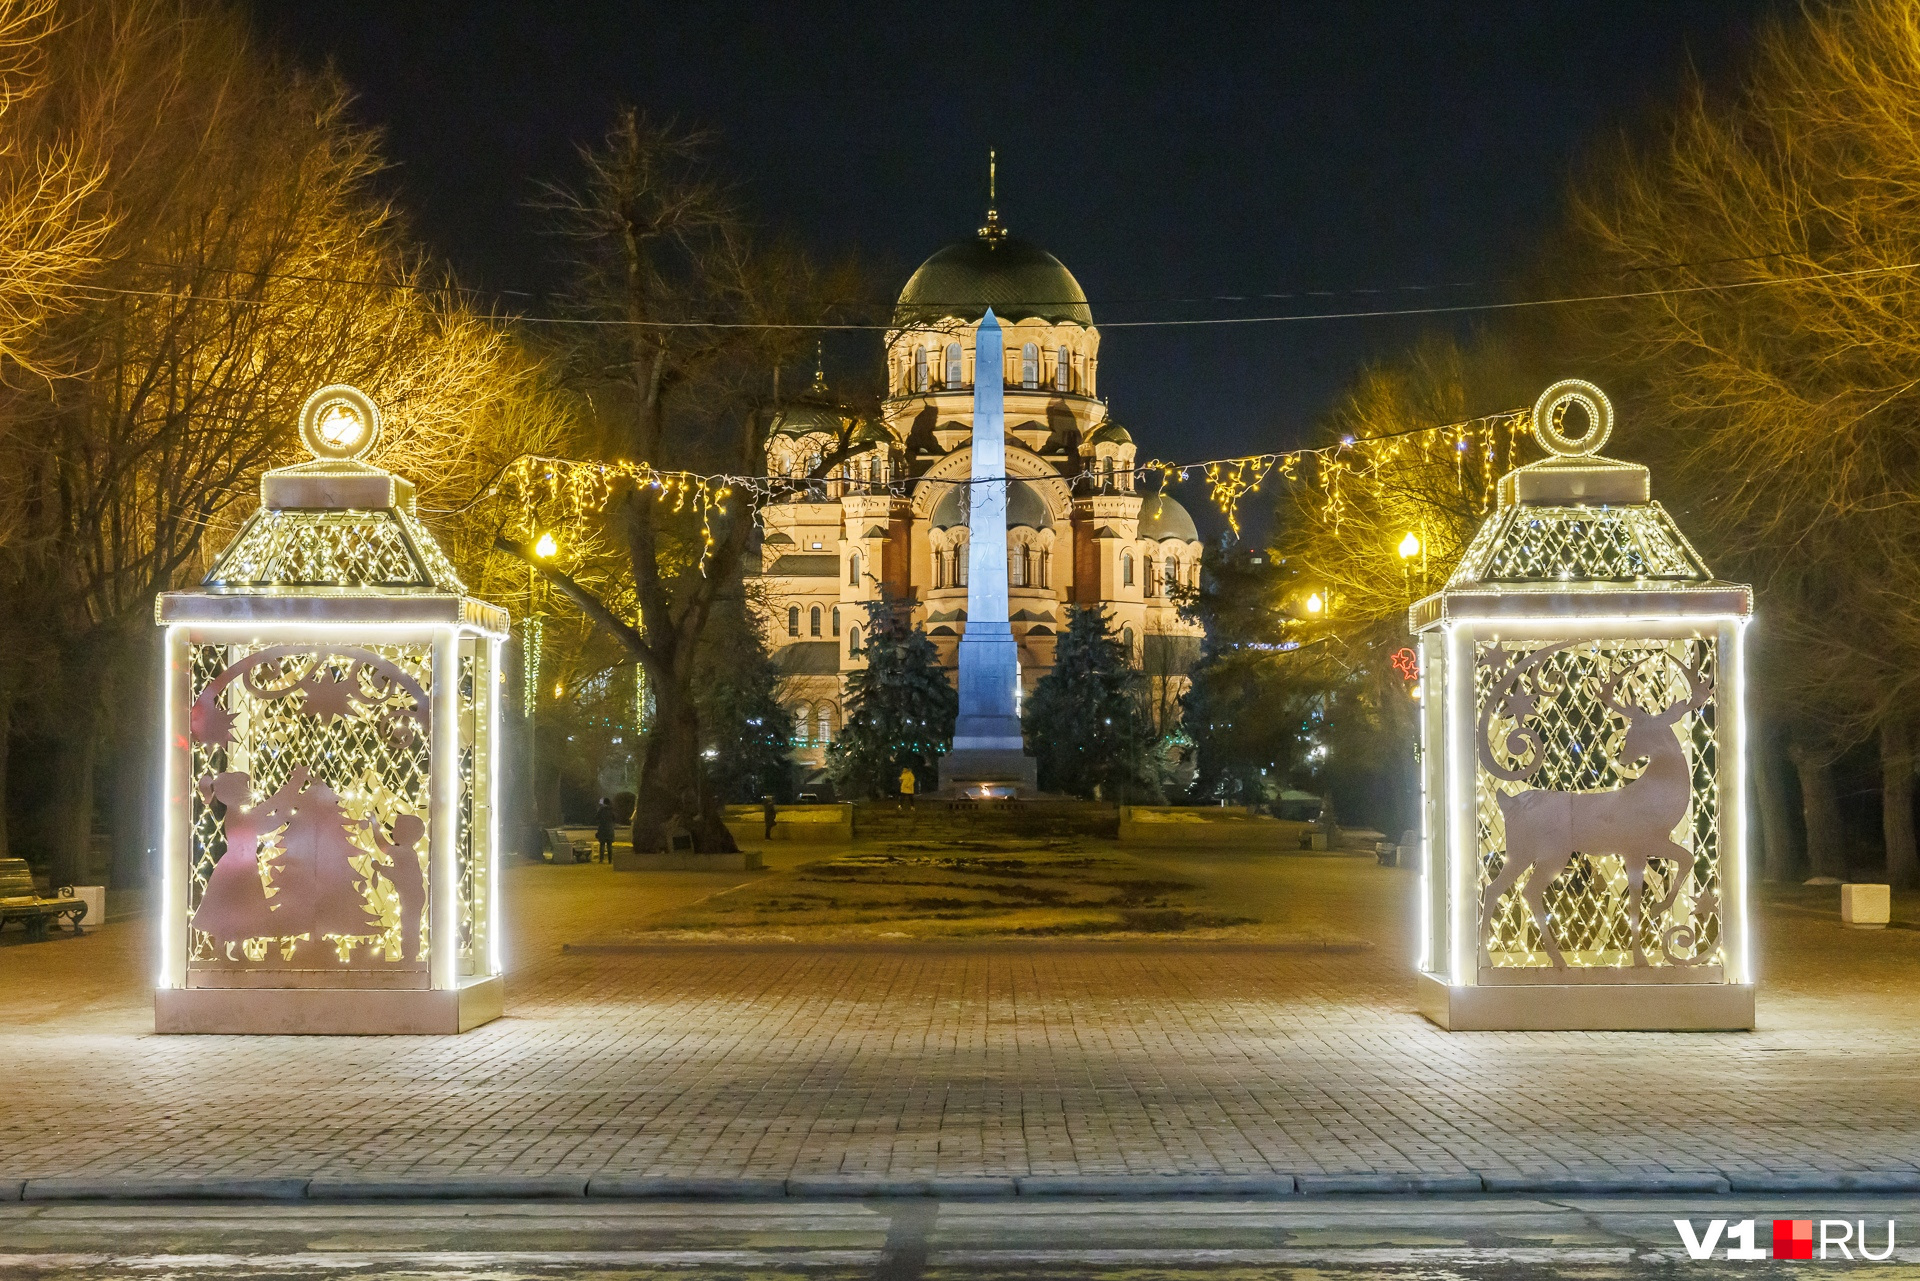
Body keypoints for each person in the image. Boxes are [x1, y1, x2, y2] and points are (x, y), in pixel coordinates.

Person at [594, 797, 616, 863]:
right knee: (609, 845)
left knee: (602, 845)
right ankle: (610, 860)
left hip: (602, 828)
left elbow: (596, 817)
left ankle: (601, 859)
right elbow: (614, 818)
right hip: (610, 829)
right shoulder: (611, 810)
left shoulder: (601, 810)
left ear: (603, 802)